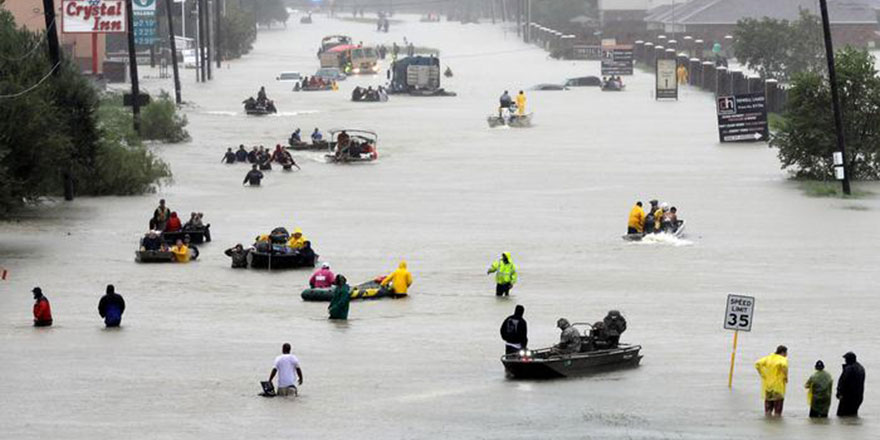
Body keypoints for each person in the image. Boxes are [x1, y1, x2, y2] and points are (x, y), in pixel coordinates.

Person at [755, 345, 789, 416]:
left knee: (768, 408)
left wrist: (762, 374)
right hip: (778, 387)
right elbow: (784, 365)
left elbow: (757, 364)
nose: (787, 354)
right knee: (778, 409)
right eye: (786, 352)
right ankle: (776, 424)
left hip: (768, 386)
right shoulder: (782, 359)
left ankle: (768, 421)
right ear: (783, 352)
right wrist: (785, 376)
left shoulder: (768, 358)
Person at [837, 351, 866, 417]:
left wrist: (839, 393)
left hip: (847, 397)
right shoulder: (861, 368)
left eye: (846, 359)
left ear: (849, 359)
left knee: (842, 416)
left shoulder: (849, 369)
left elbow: (843, 382)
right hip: (858, 397)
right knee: (852, 415)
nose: (845, 360)